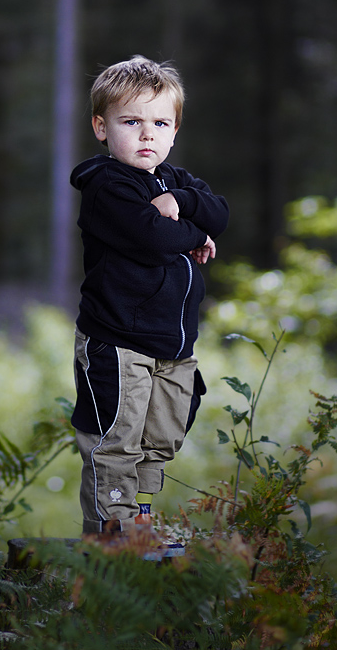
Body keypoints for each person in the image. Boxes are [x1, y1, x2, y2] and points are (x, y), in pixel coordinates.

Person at [70, 55, 229, 535]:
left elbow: (219, 212)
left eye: (159, 122)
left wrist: (181, 205)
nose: (147, 135)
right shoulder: (106, 185)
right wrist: (195, 236)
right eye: (131, 121)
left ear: (175, 130)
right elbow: (154, 239)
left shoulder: (176, 181)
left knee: (160, 435)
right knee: (115, 438)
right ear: (102, 127)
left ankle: (137, 517)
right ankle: (108, 534)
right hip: (118, 341)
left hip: (173, 345)